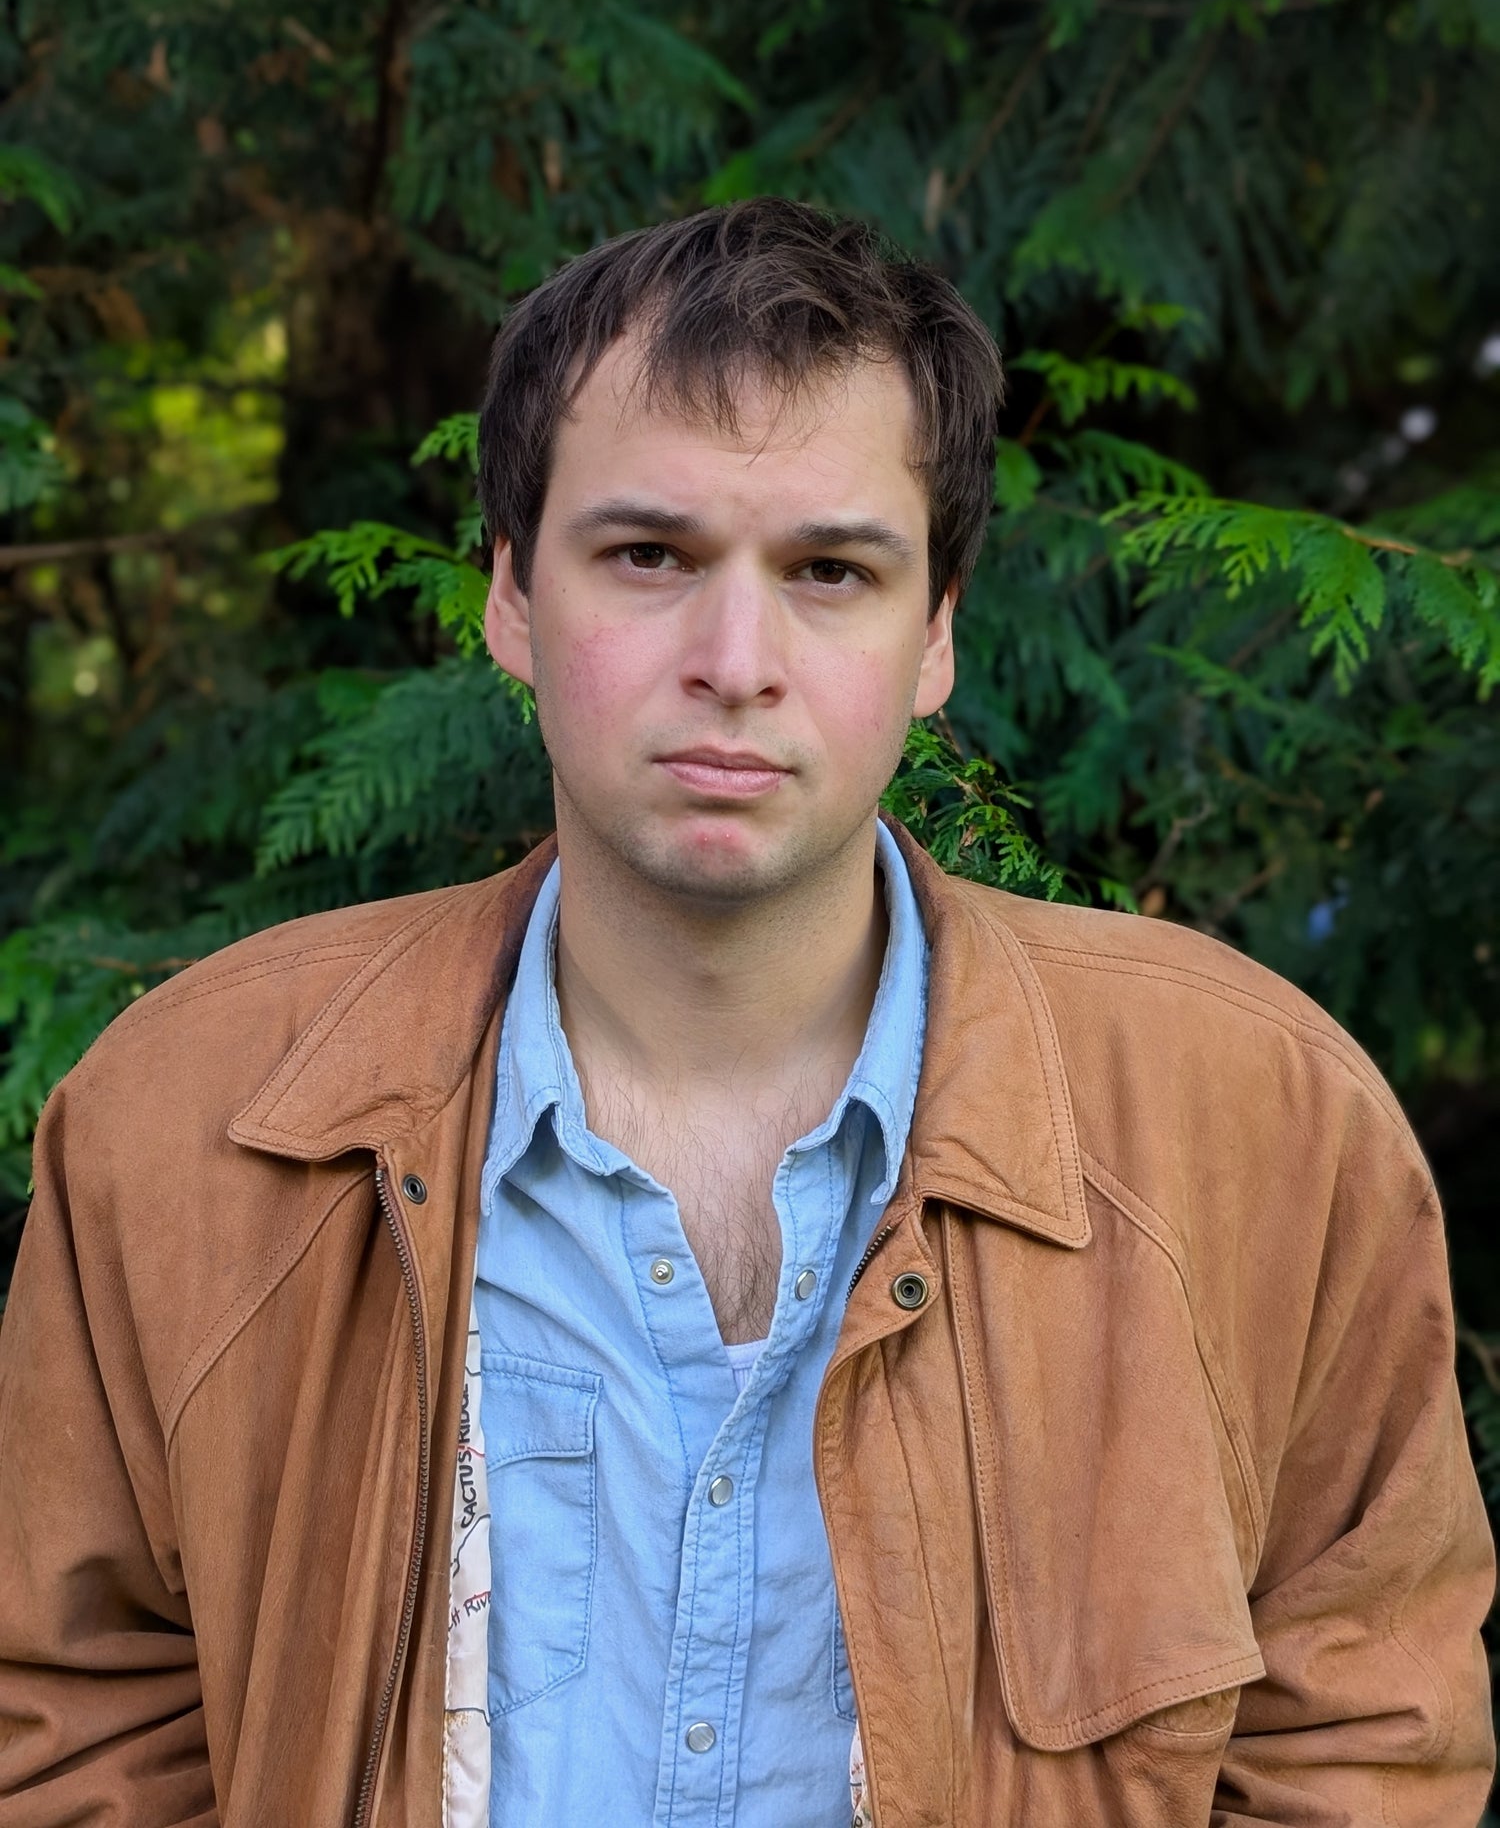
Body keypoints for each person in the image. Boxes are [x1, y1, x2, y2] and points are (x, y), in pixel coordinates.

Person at [0, 197, 1492, 1828]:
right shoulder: (184, 1133)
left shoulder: (1262, 1131)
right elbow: (73, 1733)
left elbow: (1361, 1747)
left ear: (936, 632)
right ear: (511, 597)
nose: (735, 658)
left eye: (829, 571)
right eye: (649, 555)